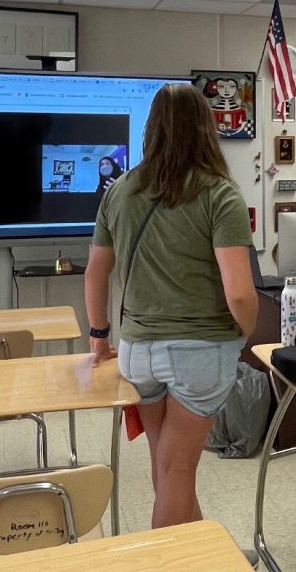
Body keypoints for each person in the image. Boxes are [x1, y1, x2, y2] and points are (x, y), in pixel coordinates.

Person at [85, 84, 257, 531]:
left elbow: (96, 273)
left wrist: (99, 335)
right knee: (178, 471)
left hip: (137, 351)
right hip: (199, 351)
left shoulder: (119, 191)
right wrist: (249, 333)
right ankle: (165, 560)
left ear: (151, 129)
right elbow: (239, 292)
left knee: (167, 469)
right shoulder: (220, 194)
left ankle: (199, 555)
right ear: (207, 128)